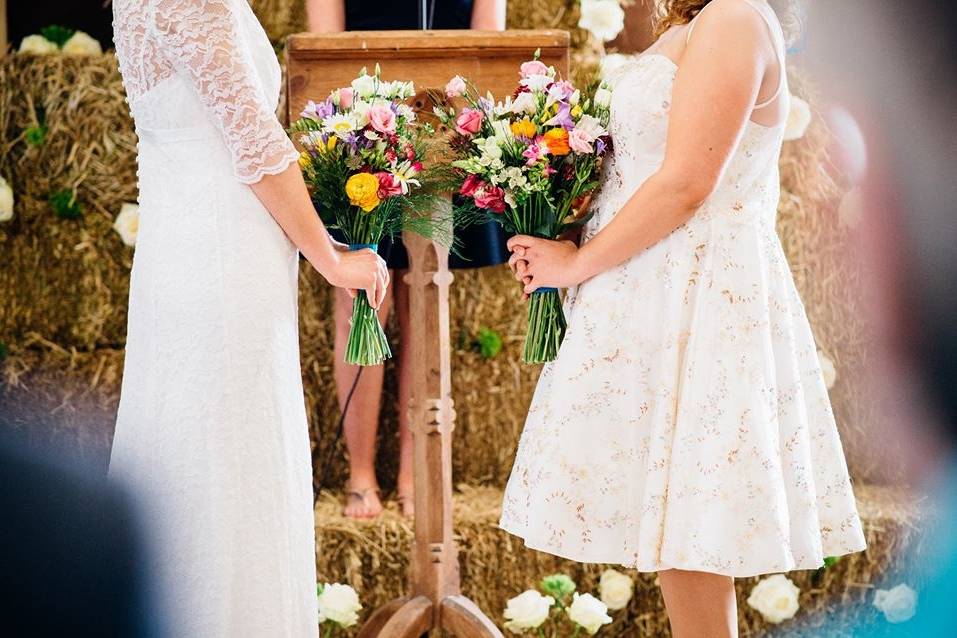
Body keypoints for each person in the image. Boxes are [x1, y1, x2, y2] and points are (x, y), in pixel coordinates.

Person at [501, 1, 866, 636]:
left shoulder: (734, 17)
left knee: (695, 540)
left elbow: (688, 182)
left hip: (697, 300)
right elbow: (646, 168)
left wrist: (580, 262)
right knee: (681, 543)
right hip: (655, 288)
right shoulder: (701, 21)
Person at [109, 1, 388, 636]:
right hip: (219, 261)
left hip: (184, 256)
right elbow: (256, 142)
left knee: (194, 459)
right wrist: (330, 257)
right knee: (226, 467)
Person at [306, 0, 508, 519]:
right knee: (361, 302)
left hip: (443, 137)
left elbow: (491, 49)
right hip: (363, 139)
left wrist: (442, 117)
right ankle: (360, 474)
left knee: (427, 298)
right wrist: (375, 126)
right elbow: (323, 50)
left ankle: (415, 472)